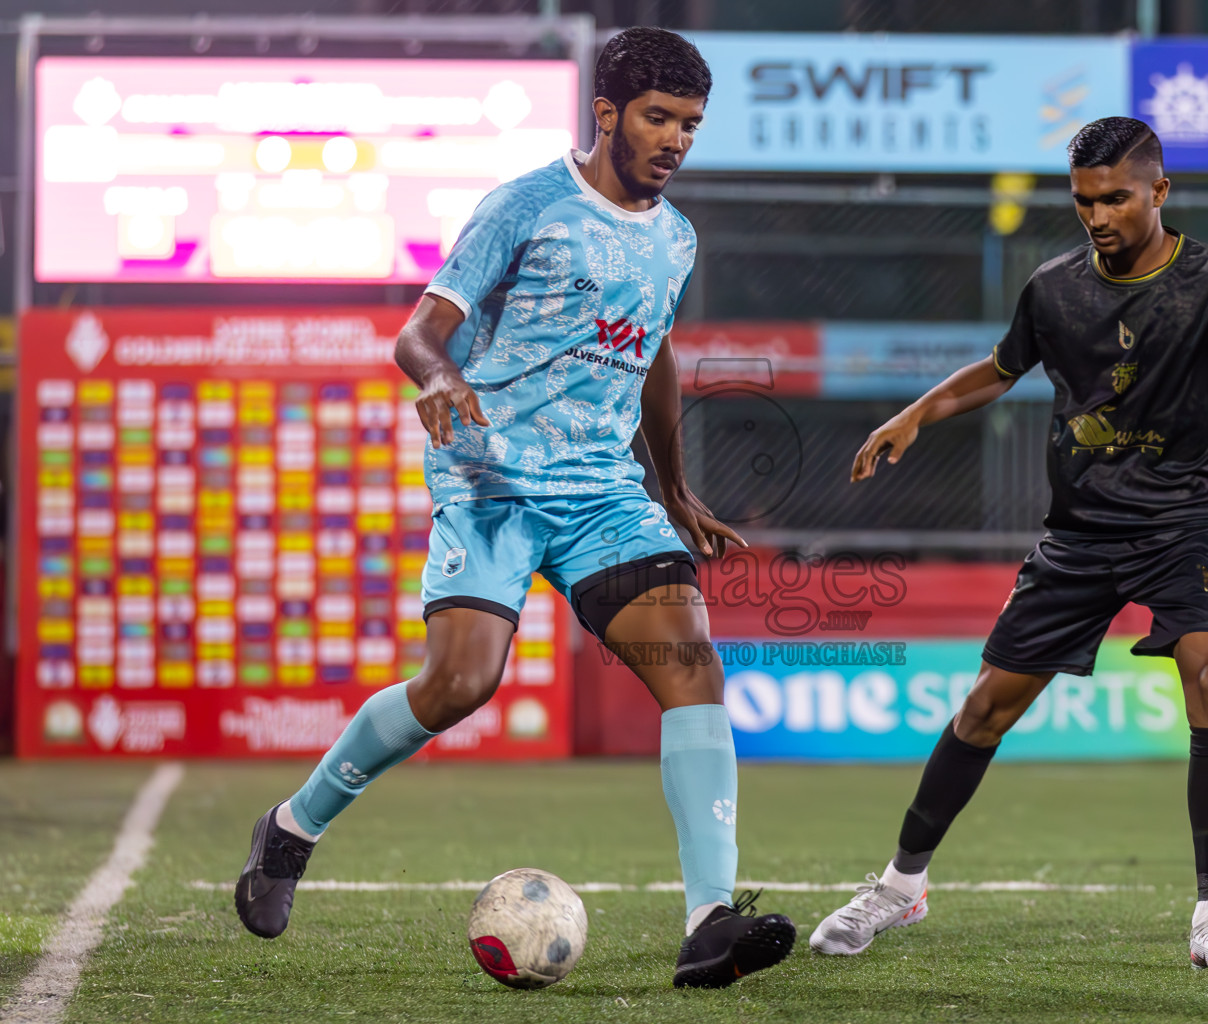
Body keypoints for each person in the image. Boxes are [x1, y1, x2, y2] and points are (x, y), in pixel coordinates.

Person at [235, 27, 795, 989]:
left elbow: (653, 355)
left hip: (604, 495)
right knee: (459, 687)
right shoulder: (527, 205)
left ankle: (710, 922)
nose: (675, 141)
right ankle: (291, 828)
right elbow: (419, 334)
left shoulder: (675, 237)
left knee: (690, 667)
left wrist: (675, 488)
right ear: (608, 114)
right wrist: (442, 377)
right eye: (659, 119)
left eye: (691, 126)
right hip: (493, 481)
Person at [810, 116, 1208, 972]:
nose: (1098, 216)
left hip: (1187, 516)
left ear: (1159, 193)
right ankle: (898, 888)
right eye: (1084, 200)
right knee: (987, 706)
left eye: (1117, 198)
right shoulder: (1053, 288)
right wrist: (917, 412)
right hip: (1083, 528)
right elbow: (999, 366)